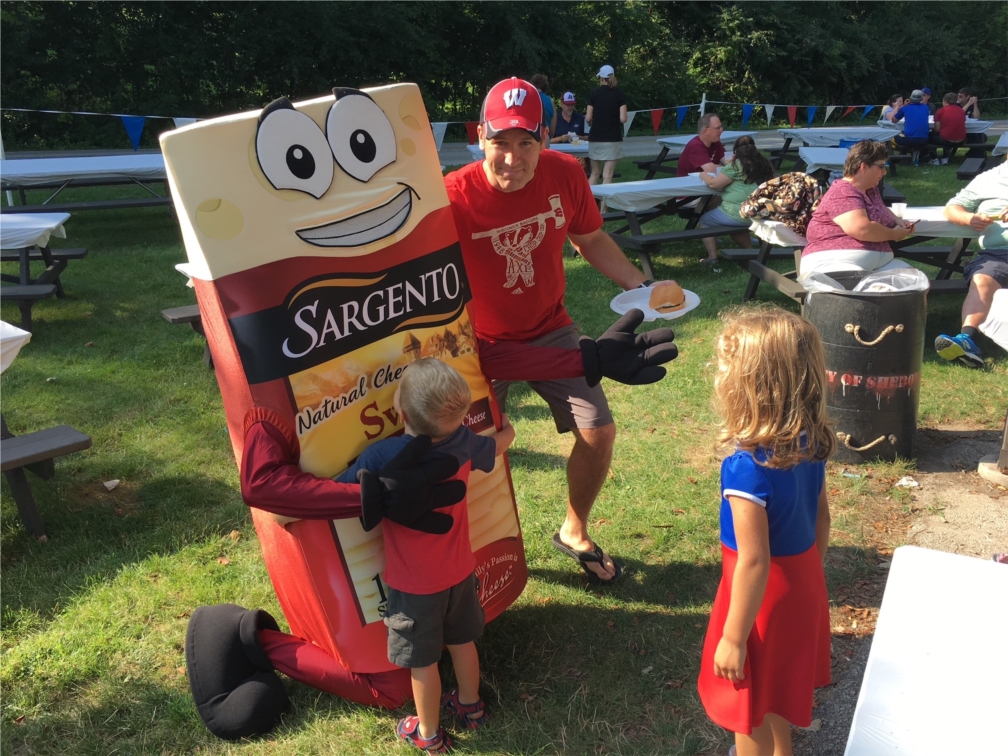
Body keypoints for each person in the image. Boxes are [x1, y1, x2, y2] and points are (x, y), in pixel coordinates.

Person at [444, 76, 673, 583]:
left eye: (526, 143)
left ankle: (574, 529)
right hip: (479, 344)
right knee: (472, 454)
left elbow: (590, 239)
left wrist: (643, 286)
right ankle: (471, 558)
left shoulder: (565, 174)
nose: (512, 158)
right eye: (500, 142)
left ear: (545, 138)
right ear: (479, 135)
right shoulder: (451, 198)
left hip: (551, 328)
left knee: (599, 430)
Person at [336, 358, 515, 753]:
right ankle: (471, 707)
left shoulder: (381, 457)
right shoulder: (464, 441)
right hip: (460, 572)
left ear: (400, 412)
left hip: (414, 586)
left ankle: (428, 734)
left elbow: (336, 491)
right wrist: (509, 430)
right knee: (463, 641)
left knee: (424, 662)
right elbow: (499, 445)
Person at [698, 307, 833, 756]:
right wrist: (808, 580)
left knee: (747, 705)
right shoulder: (810, 442)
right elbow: (822, 520)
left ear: (749, 384)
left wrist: (734, 637)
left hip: (758, 597)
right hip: (802, 583)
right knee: (777, 693)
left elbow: (753, 560)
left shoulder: (744, 468)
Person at [799, 140, 916, 279]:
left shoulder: (870, 189)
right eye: (881, 166)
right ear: (864, 166)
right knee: (861, 292)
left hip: (875, 263)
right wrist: (893, 234)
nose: (884, 172)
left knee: (915, 282)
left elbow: (880, 209)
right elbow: (861, 229)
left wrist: (897, 221)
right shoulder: (843, 191)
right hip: (836, 261)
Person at [935, 159, 1008, 368]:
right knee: (982, 279)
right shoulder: (990, 178)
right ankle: (967, 340)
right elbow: (952, 208)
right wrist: (969, 218)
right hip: (998, 254)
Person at [697, 135, 773, 265]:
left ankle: (712, 257)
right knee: (734, 221)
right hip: (762, 212)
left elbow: (714, 184)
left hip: (739, 213)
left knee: (705, 220)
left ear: (735, 152)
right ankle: (750, 252)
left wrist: (703, 175)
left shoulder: (736, 166)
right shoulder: (765, 163)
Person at [585, 64, 628, 184]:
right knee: (607, 175)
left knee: (594, 173)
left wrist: (591, 122)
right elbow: (623, 118)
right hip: (612, 138)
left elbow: (588, 117)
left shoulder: (594, 94)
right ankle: (604, 203)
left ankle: (588, 202)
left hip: (595, 137)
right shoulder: (620, 95)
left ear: (601, 78)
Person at [677, 113, 728, 177]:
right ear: (706, 131)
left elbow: (729, 161)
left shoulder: (715, 142)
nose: (721, 131)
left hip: (704, 183)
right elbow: (711, 169)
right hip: (688, 185)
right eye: (718, 128)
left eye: (721, 127)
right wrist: (728, 168)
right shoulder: (695, 145)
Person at [892, 90, 932, 159]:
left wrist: (904, 106)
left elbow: (894, 120)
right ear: (921, 99)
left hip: (909, 139)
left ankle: (897, 157)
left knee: (892, 137)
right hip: (924, 139)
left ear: (910, 98)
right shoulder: (926, 108)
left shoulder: (905, 108)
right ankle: (915, 156)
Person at [930, 92, 967, 165]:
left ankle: (934, 158)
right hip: (961, 140)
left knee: (930, 136)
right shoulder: (961, 111)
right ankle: (945, 157)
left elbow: (937, 129)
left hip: (946, 140)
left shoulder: (941, 111)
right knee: (948, 133)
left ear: (945, 101)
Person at [530, 74, 557, 144]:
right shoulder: (550, 101)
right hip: (545, 135)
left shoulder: (527, 98)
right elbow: (552, 130)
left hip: (530, 135)